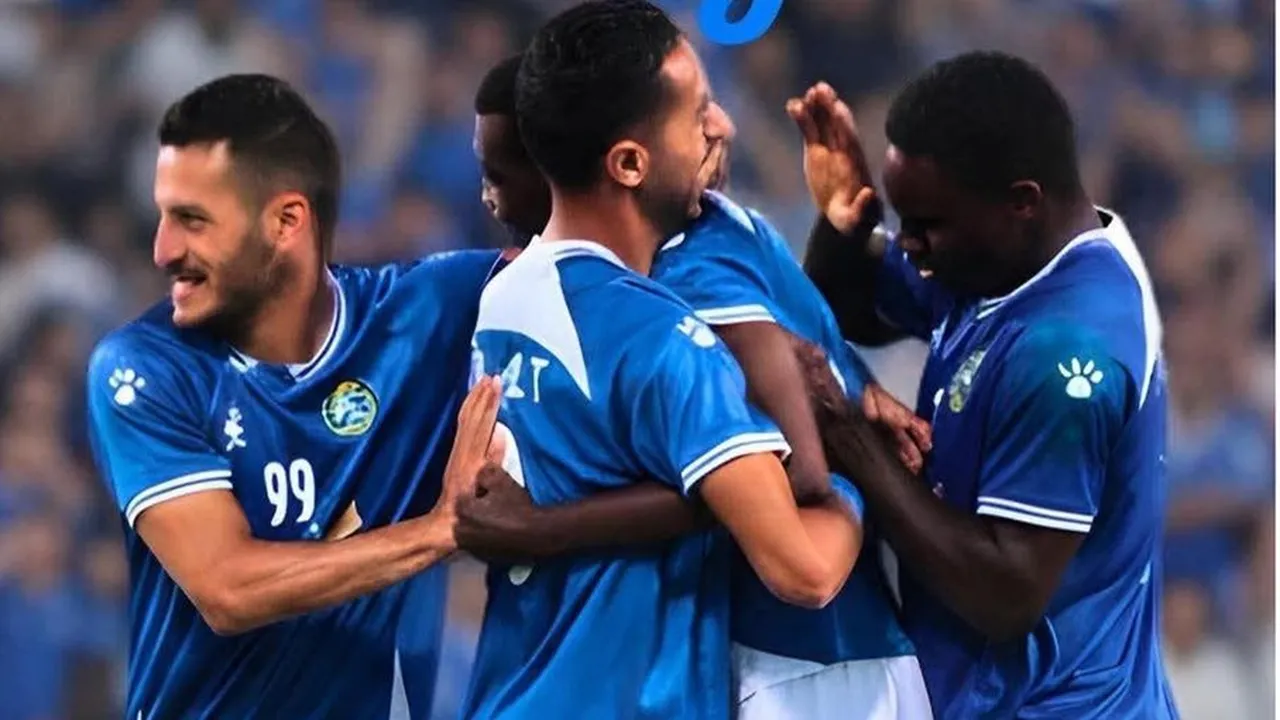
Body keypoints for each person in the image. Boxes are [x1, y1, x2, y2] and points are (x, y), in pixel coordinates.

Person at [464, 51, 933, 718]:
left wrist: (850, 388)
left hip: (811, 661)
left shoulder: (702, 247)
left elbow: (796, 396)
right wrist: (853, 442)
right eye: (696, 112)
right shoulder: (670, 284)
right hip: (793, 654)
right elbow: (789, 477)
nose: (721, 126)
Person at [85, 74, 505, 719]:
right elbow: (227, 589)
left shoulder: (430, 313)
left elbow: (597, 261)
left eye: (192, 220)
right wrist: (440, 530)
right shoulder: (145, 367)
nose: (163, 250)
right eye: (165, 215)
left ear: (286, 222)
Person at [795, 53, 1179, 718]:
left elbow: (1006, 593)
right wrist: (845, 219)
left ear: (1022, 201)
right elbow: (852, 311)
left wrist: (854, 442)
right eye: (902, 218)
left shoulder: (1067, 351)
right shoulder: (999, 262)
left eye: (927, 223)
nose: (907, 243)